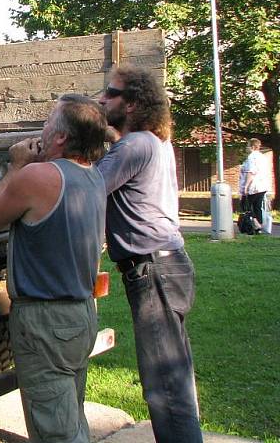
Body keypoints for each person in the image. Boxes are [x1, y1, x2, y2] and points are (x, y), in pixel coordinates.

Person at [0, 94, 107, 443]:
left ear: (61, 137)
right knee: (70, 417)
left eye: (49, 123)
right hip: (80, 315)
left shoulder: (39, 177)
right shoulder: (92, 176)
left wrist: (18, 166)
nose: (43, 129)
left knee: (54, 431)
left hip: (46, 323)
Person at [97, 66, 203, 443]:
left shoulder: (135, 145)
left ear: (133, 104)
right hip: (164, 265)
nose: (102, 99)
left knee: (166, 387)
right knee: (174, 379)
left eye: (110, 93)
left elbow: (88, 188)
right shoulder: (150, 142)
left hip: (153, 269)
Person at [242, 138, 271, 232]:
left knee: (246, 205)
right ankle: (258, 227)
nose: (247, 148)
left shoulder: (252, 157)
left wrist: (246, 186)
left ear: (253, 147)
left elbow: (251, 172)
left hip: (254, 186)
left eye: (248, 146)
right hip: (263, 185)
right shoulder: (263, 157)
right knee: (257, 206)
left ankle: (256, 224)